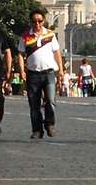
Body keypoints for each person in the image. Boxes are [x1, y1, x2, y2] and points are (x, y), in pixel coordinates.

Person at [19, 8, 63, 140]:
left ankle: (49, 123)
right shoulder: (25, 36)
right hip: (33, 74)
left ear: (43, 21)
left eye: (39, 21)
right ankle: (37, 130)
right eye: (34, 21)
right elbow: (21, 54)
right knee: (34, 104)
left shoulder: (50, 35)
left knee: (50, 100)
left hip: (49, 73)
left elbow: (57, 53)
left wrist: (60, 69)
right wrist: (22, 70)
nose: (37, 24)